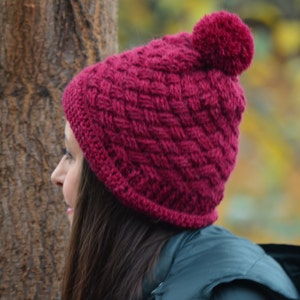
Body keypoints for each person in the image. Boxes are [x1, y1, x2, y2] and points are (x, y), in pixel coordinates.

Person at [51, 11, 300, 300]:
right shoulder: (148, 277)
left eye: (71, 155)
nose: (56, 174)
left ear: (129, 181)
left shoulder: (233, 295)